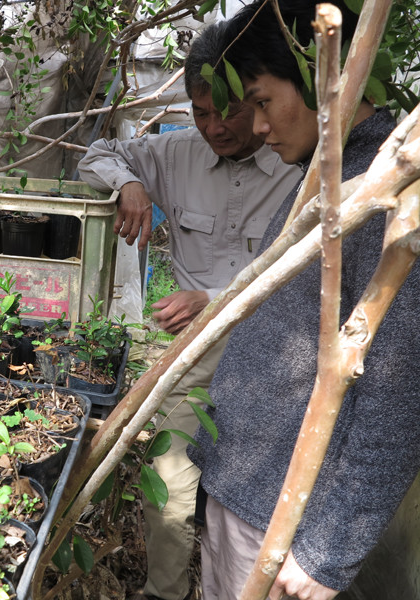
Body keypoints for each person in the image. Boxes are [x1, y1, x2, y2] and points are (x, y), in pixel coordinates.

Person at [187, 2, 420, 600]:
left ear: (325, 76)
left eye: (262, 101)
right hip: (249, 490)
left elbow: (399, 391)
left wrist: (327, 553)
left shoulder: (383, 202)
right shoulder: (327, 176)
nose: (257, 126)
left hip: (282, 520)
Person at [78, 21, 301, 600]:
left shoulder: (300, 164)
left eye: (227, 111)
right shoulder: (176, 152)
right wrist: (130, 184)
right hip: (195, 351)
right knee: (170, 483)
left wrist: (216, 298)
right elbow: (98, 153)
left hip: (276, 349)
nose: (213, 127)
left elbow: (307, 273)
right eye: (200, 113)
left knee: (256, 495)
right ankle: (167, 591)